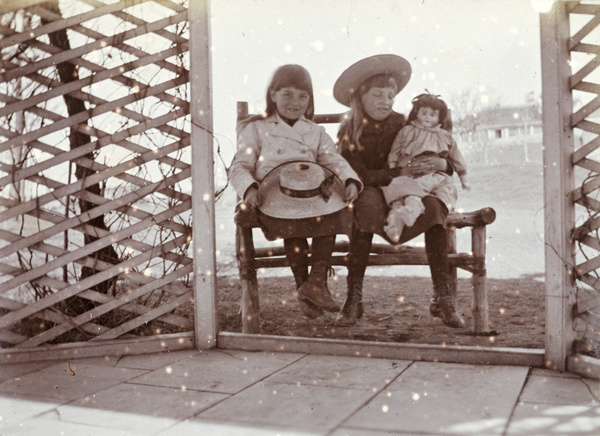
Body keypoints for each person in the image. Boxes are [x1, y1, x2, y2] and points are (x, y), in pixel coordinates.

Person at [332, 54, 465, 328]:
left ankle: (442, 296)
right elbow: (356, 173)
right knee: (365, 205)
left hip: (410, 189)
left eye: (390, 95)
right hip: (371, 189)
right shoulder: (349, 130)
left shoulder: (404, 124)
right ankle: (353, 297)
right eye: (378, 95)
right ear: (360, 97)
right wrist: (395, 174)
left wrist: (443, 164)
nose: (385, 101)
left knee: (434, 207)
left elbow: (439, 152)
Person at [229, 64, 362, 319]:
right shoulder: (256, 128)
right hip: (273, 195)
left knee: (334, 212)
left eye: (303, 96)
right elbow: (240, 166)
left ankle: (315, 283)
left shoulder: (315, 131)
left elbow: (333, 160)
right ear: (273, 94)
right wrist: (249, 190)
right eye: (287, 94)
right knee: (292, 219)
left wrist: (349, 180)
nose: (295, 102)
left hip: (311, 194)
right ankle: (305, 284)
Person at [382, 92, 471, 243]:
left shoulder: (444, 136)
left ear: (439, 117)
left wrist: (464, 178)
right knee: (403, 194)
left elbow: (456, 157)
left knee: (440, 193)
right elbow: (395, 151)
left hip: (435, 176)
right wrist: (393, 169)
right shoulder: (407, 131)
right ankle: (395, 225)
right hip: (412, 174)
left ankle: (411, 210)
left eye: (432, 114)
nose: (427, 117)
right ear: (416, 113)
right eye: (424, 113)